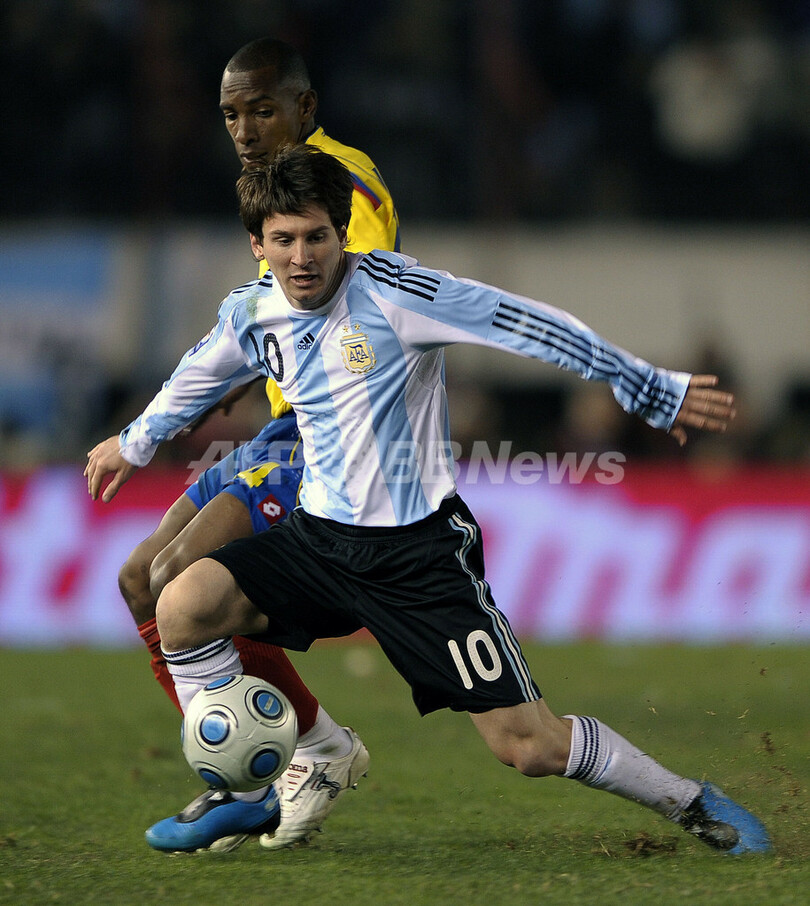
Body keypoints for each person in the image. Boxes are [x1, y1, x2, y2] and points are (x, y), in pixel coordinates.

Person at [86, 144, 771, 856]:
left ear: (342, 233)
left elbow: (528, 324)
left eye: (317, 236)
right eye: (283, 240)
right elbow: (198, 375)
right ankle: (250, 790)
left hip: (417, 558)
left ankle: (692, 803)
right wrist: (132, 444)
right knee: (182, 604)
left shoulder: (396, 293)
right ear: (257, 244)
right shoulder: (253, 311)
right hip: (319, 541)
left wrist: (644, 384)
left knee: (527, 745)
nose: (301, 257)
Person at [94, 38, 399, 854]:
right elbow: (273, 317)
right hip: (277, 426)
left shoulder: (344, 185)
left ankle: (264, 774)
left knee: (176, 580)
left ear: (305, 108)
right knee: (138, 581)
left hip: (329, 434)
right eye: (231, 113)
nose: (244, 127)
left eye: (262, 109)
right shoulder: (268, 189)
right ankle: (299, 752)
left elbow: (346, 305)